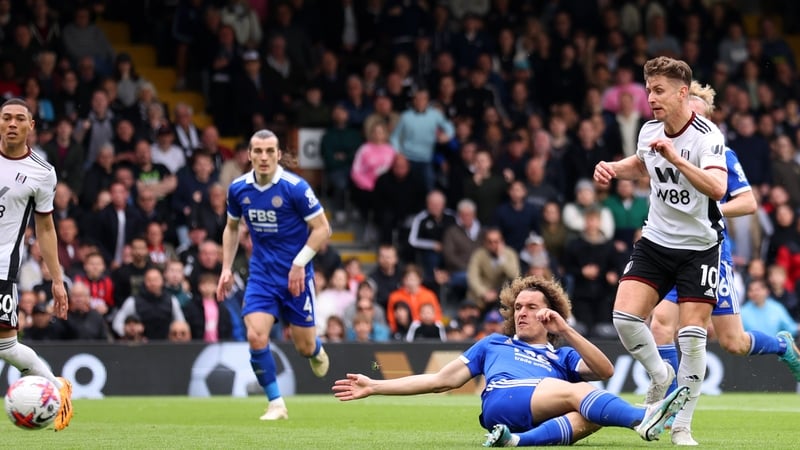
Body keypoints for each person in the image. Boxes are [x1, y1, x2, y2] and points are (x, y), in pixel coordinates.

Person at [332, 276, 690, 446]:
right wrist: (376, 385)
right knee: (577, 392)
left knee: (590, 415)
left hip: (524, 417)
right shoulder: (494, 344)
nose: (522, 312)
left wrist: (566, 330)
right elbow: (440, 379)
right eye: (517, 307)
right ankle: (644, 418)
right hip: (504, 398)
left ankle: (517, 443)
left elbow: (605, 370)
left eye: (531, 307)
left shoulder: (560, 353)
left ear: (548, 312)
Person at [648, 81, 800, 445]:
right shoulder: (665, 150)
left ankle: (781, 345)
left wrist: (709, 213)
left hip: (712, 255)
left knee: (733, 341)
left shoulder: (722, 155)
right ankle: (672, 401)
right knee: (659, 325)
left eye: (698, 113)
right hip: (675, 252)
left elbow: (747, 204)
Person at [593, 57, 727, 436]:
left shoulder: (707, 136)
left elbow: (717, 188)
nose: (650, 97)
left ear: (683, 92)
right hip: (656, 240)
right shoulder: (649, 129)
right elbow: (644, 163)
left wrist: (676, 160)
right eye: (648, 89)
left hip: (699, 248)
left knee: (691, 338)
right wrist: (613, 168)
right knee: (624, 318)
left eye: (658, 90)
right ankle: (660, 372)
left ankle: (681, 428)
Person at [216, 129, 331, 421]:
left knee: (304, 347)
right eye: (258, 151)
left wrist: (299, 263)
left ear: (279, 155)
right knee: (255, 336)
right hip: (262, 275)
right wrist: (226, 268)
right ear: (249, 155)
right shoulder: (239, 188)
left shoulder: (295, 187)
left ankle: (315, 348)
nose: (264, 157)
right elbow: (231, 228)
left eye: (270, 151)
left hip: (296, 277)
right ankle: (276, 403)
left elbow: (322, 229)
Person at [0, 98, 73, 430]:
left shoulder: (42, 173)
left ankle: (56, 392)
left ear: (31, 126)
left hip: (2, 268)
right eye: (6, 118)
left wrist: (57, 280)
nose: (12, 123)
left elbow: (45, 227)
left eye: (19, 119)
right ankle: (56, 388)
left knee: (7, 346)